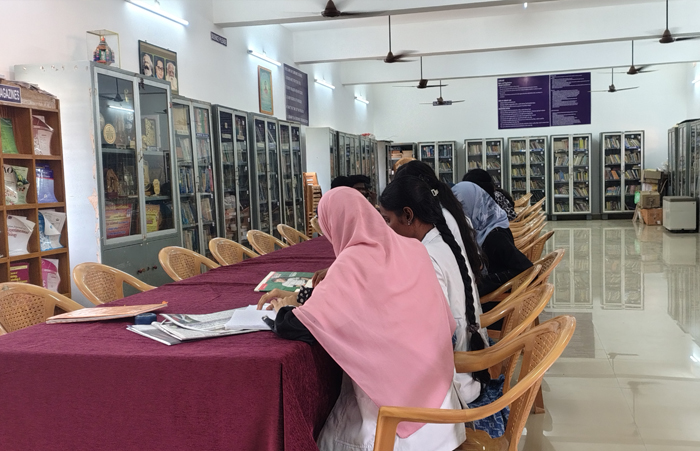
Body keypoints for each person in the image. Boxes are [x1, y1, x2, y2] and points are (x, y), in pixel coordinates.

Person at [258, 187, 465, 451]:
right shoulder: (411, 248)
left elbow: (298, 326)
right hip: (442, 408)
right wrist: (302, 296)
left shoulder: (354, 261)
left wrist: (284, 308)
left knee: (327, 437)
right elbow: (354, 298)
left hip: (398, 424)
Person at [379, 176, 490, 404]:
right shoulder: (441, 241)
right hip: (464, 365)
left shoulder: (427, 256)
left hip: (453, 382)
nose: (387, 230)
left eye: (388, 221)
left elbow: (432, 333)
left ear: (408, 215)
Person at [452, 182, 533, 298]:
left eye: (461, 207)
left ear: (474, 206)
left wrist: (481, 283)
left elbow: (526, 269)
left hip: (496, 300)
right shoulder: (483, 229)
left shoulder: (495, 237)